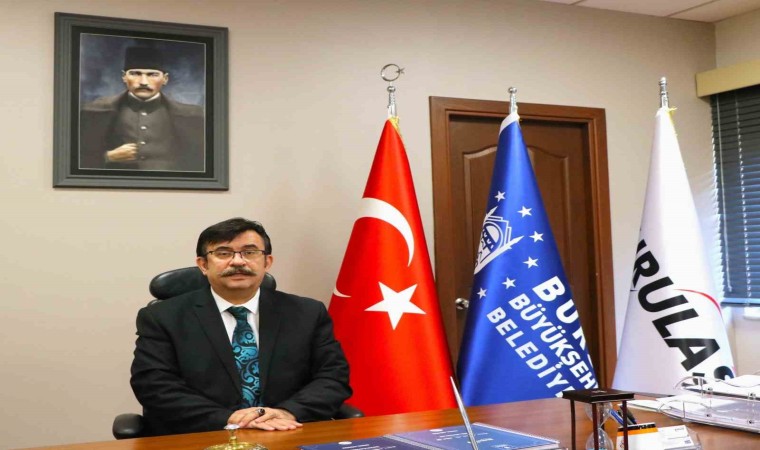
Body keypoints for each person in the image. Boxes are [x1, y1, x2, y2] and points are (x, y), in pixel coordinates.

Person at [130, 218, 351, 436]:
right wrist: (230, 419)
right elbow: (154, 385)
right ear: (203, 265)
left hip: (287, 432)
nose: (237, 261)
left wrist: (287, 412)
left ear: (267, 262)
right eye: (223, 253)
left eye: (250, 252)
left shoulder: (307, 313)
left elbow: (332, 377)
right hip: (203, 434)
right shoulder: (163, 317)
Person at [79, 46, 205, 171]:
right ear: (124, 77)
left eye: (152, 75)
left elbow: (199, 163)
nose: (143, 82)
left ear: (165, 79)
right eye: (135, 73)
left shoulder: (193, 116)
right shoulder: (94, 112)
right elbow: (76, 161)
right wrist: (108, 157)